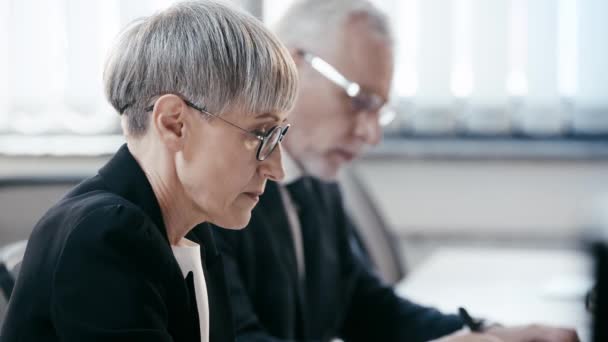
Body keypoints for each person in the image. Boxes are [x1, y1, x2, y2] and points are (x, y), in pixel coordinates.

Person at [211, 1, 580, 341]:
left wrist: (492, 334)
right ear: (290, 66)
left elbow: (367, 307)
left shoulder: (316, 179)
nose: (372, 135)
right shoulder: (217, 190)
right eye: (359, 101)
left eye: (379, 110)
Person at [0, 1, 297, 341]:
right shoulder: (103, 234)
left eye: (279, 136)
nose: (277, 169)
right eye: (262, 134)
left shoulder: (193, 231)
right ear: (174, 124)